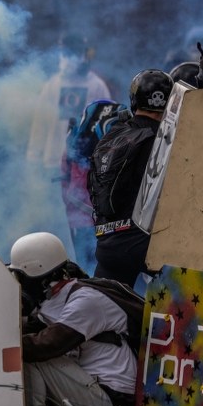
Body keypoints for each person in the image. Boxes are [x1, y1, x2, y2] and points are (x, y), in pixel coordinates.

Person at [10, 232, 137, 406]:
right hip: (94, 395)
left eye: (22, 278)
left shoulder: (86, 301)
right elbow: (26, 327)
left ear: (42, 277)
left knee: (32, 355)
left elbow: (47, 345)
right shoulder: (54, 300)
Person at [87, 69, 173, 288]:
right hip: (144, 246)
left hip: (107, 242)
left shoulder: (114, 132)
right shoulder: (167, 141)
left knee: (99, 308)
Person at [27, 34, 113, 171]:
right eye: (65, 53)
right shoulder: (52, 85)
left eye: (74, 52)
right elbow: (40, 122)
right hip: (53, 162)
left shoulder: (97, 86)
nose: (69, 58)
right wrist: (34, 156)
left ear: (84, 55)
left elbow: (108, 125)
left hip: (84, 166)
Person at [60, 99, 126, 276]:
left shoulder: (75, 137)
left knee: (88, 270)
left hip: (80, 217)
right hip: (115, 222)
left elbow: (64, 178)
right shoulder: (124, 138)